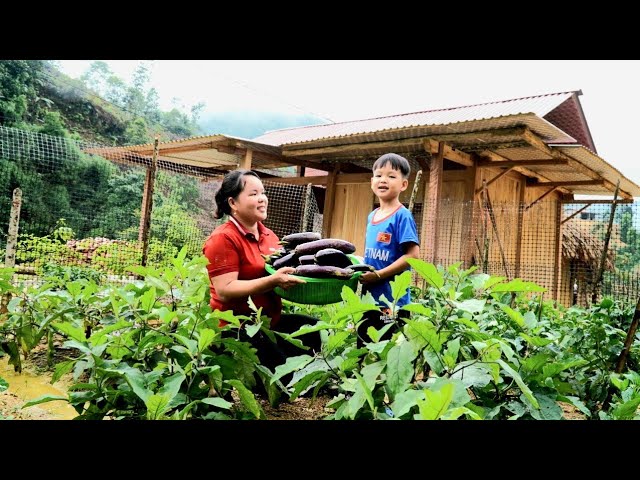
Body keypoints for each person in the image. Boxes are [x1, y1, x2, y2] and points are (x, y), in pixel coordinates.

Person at [202, 169, 320, 378]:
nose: (262, 199)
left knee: (311, 328)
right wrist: (273, 280)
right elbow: (225, 291)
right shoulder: (222, 239)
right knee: (282, 381)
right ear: (233, 203)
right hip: (237, 328)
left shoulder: (269, 236)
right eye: (253, 194)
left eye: (263, 193)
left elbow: (281, 271)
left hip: (267, 322)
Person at [358, 153, 420, 347]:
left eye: (391, 176)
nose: (383, 180)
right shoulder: (372, 216)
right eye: (378, 175)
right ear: (371, 182)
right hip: (369, 299)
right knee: (364, 348)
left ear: (403, 185)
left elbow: (412, 256)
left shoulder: (402, 216)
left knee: (387, 351)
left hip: (393, 302)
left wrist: (378, 275)